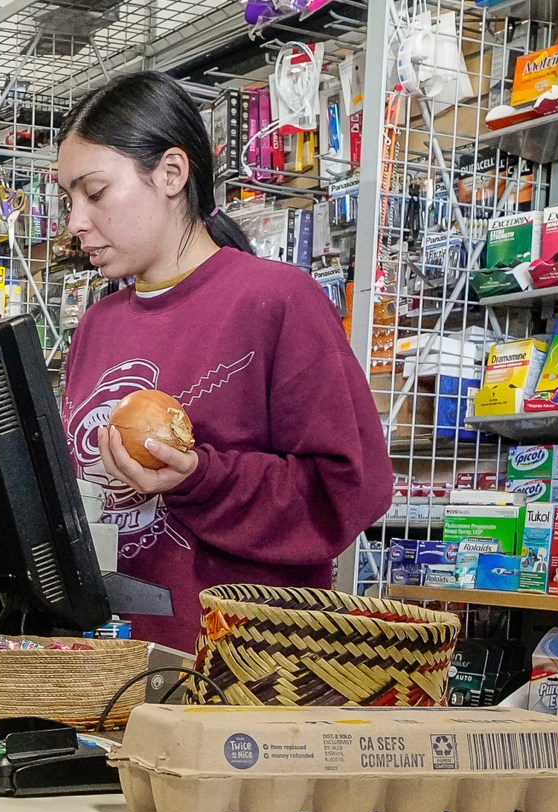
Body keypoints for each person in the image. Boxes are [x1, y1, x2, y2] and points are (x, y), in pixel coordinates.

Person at [53, 71, 393, 650]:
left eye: (95, 192)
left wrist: (200, 479)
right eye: (69, 200)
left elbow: (348, 489)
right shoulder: (97, 325)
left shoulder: (277, 301)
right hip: (108, 663)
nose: (76, 222)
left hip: (242, 676)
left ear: (171, 173)